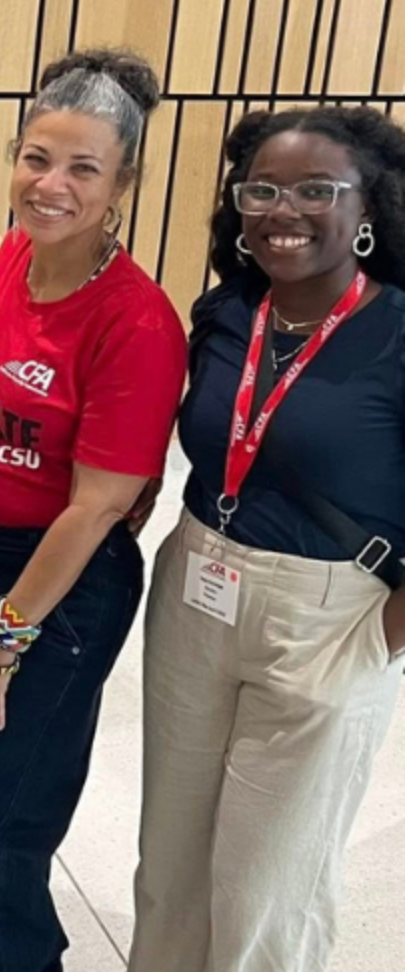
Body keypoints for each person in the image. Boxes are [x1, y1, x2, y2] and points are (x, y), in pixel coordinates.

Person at [0, 51, 187, 970]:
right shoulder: (18, 251)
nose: (51, 185)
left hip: (47, 589)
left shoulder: (137, 322)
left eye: (82, 169)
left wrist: (4, 635)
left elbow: (99, 507)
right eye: (36, 158)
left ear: (125, 183)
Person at [128, 106, 405, 972]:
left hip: (326, 615)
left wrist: (374, 646)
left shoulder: (398, 332)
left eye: (316, 190)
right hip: (197, 585)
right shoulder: (228, 312)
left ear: (369, 210)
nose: (284, 211)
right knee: (169, 863)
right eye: (263, 191)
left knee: (265, 885)